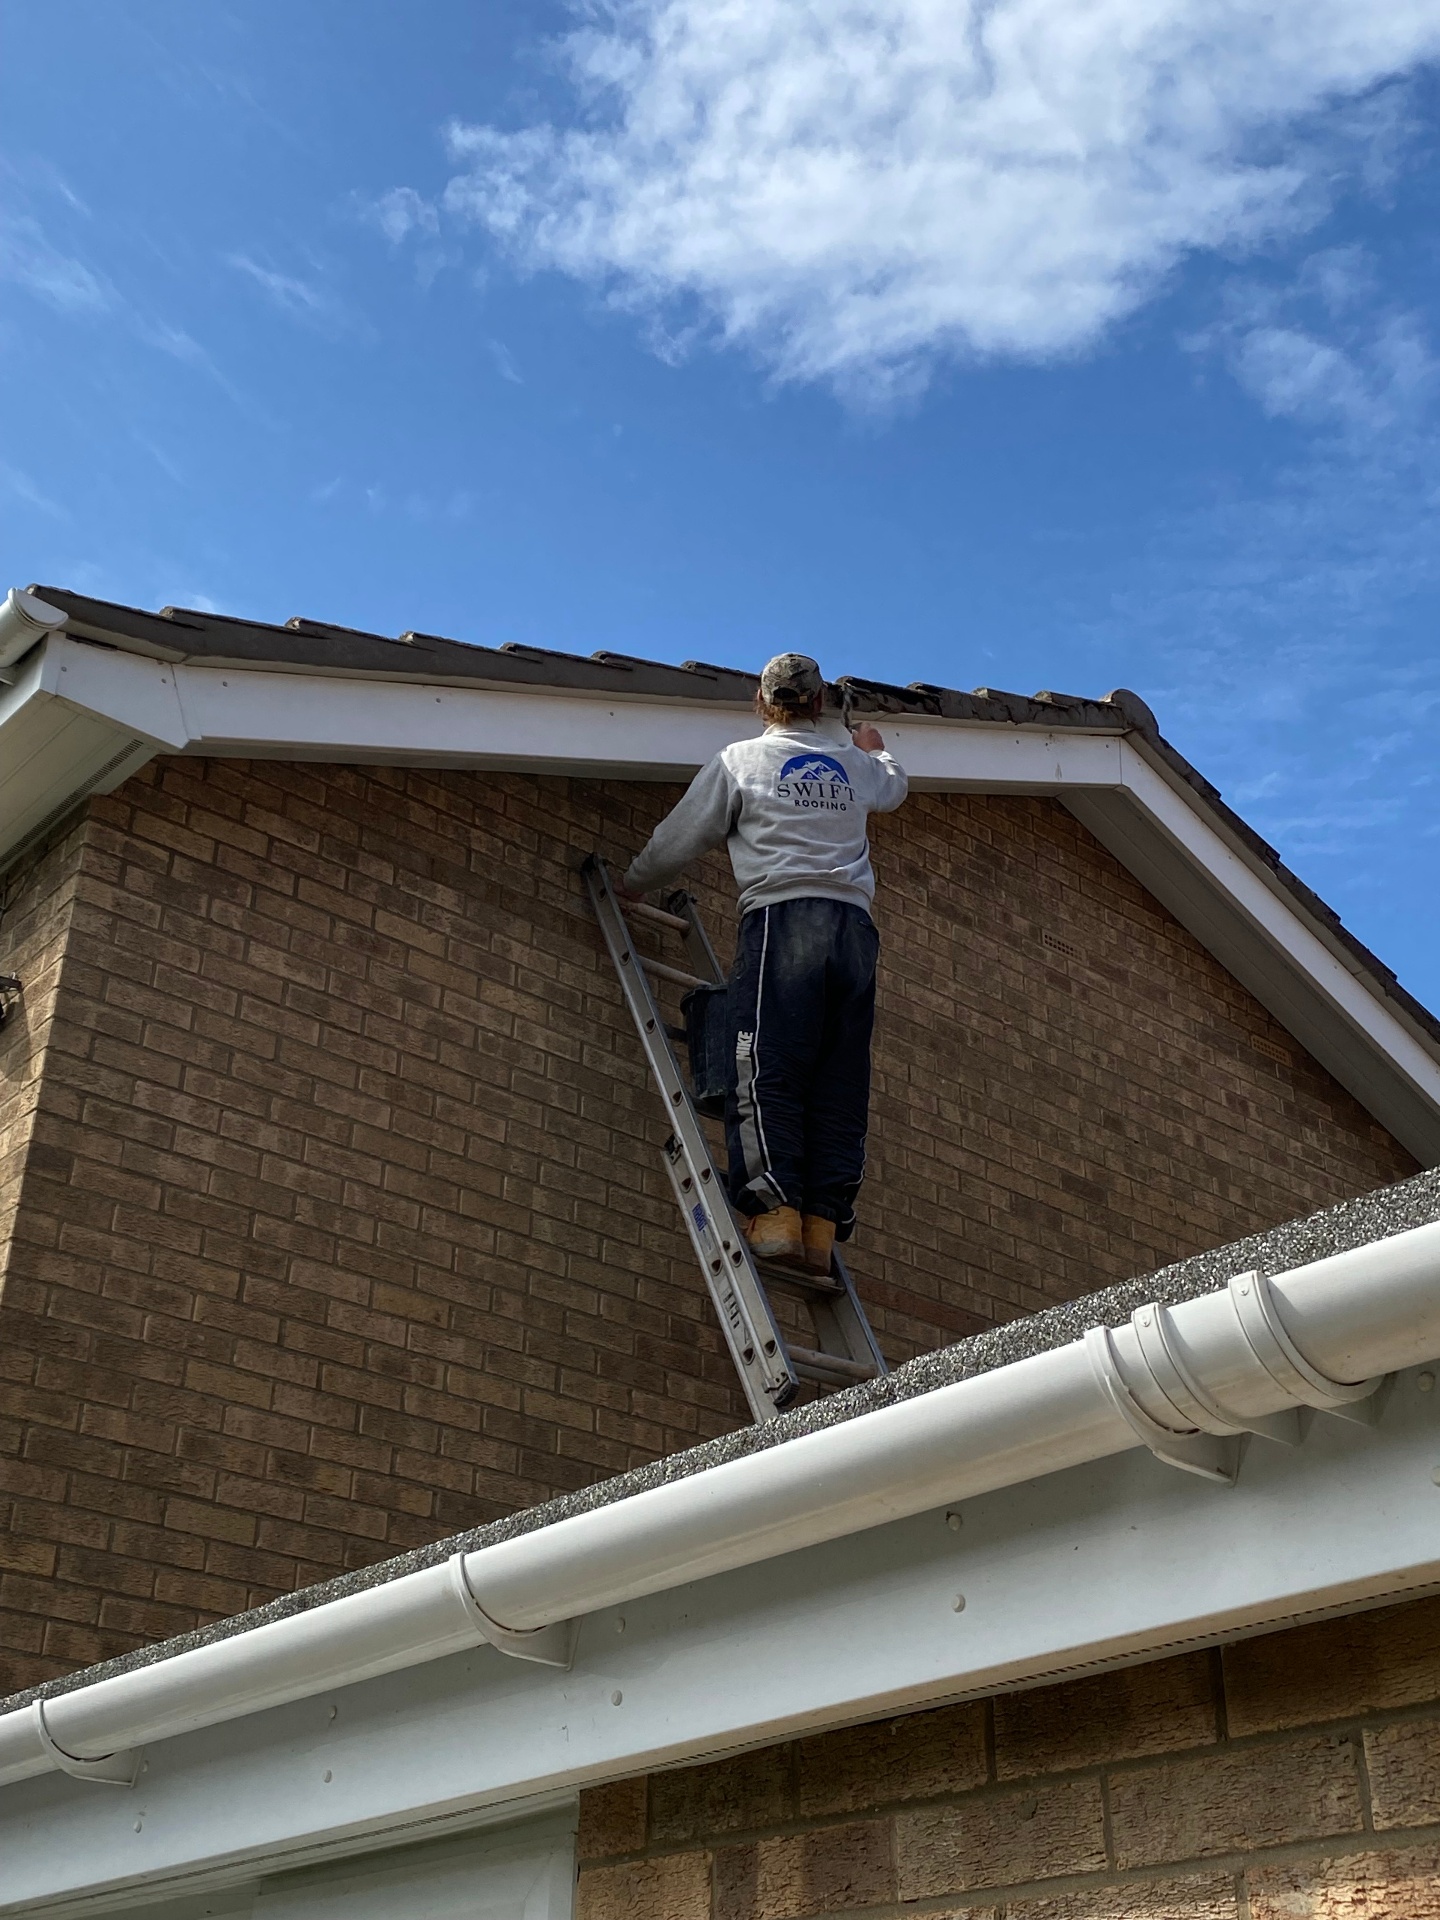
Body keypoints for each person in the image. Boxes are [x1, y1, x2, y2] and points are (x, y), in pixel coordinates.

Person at [619, 652, 908, 1273]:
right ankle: (822, 1222)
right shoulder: (853, 765)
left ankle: (775, 1214)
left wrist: (635, 882)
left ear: (761, 703)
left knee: (767, 1063)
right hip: (854, 931)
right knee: (839, 1076)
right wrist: (875, 747)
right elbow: (893, 786)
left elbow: (679, 838)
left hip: (785, 918)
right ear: (819, 704)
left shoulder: (740, 761)